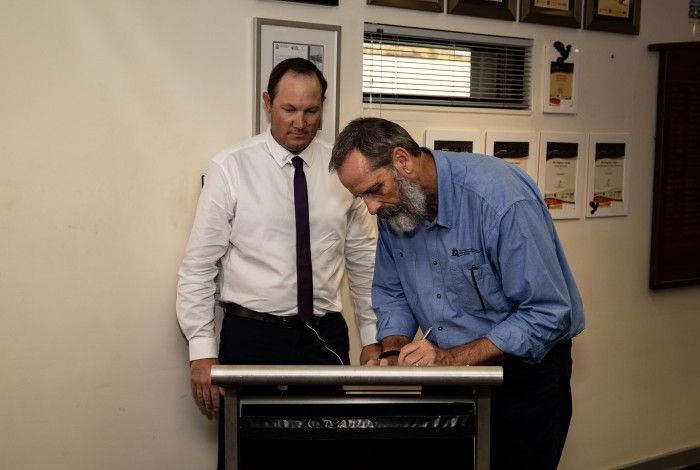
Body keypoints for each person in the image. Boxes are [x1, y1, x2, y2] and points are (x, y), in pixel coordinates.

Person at [329, 117, 585, 470]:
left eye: (375, 189)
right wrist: (392, 349)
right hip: (447, 377)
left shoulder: (499, 198)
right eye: (362, 197)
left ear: (402, 160)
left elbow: (548, 313)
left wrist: (451, 359)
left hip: (523, 380)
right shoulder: (396, 210)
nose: (372, 208)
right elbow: (392, 290)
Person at [176, 59, 380, 468]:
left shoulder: (344, 169)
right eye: (289, 109)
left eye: (312, 111)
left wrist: (373, 335)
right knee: (248, 455)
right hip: (251, 336)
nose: (301, 123)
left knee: (328, 456)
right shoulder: (230, 167)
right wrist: (202, 351)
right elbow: (199, 266)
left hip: (324, 337)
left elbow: (364, 263)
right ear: (267, 102)